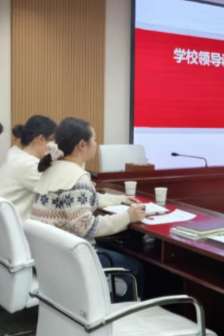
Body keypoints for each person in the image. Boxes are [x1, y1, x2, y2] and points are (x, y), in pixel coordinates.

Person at [31, 118, 147, 300]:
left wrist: (121, 200)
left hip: (48, 257)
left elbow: (85, 199)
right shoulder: (78, 178)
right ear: (82, 145)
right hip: (71, 260)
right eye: (95, 139)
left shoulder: (52, 169)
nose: (96, 143)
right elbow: (86, 226)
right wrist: (127, 217)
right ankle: (121, 314)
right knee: (135, 267)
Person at [0, 116, 57, 221]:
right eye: (53, 141)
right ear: (40, 139)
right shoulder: (29, 165)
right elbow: (59, 193)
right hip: (12, 226)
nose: (55, 146)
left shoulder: (14, 153)